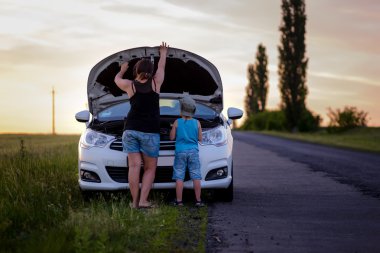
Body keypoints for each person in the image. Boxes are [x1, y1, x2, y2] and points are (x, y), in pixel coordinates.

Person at [114, 42, 168, 208]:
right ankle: (144, 201)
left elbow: (116, 80)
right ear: (151, 72)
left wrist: (122, 69)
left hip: (130, 130)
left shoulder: (129, 85)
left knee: (134, 165)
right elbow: (162, 66)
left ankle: (134, 203)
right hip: (150, 132)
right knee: (150, 168)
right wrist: (163, 52)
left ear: (136, 70)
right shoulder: (155, 82)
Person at [170, 95, 205, 207]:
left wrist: (172, 128)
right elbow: (200, 138)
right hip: (193, 152)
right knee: (196, 175)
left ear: (181, 109)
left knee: (179, 176)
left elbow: (171, 137)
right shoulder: (197, 123)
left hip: (180, 152)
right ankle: (198, 200)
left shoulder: (177, 122)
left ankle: (179, 201)